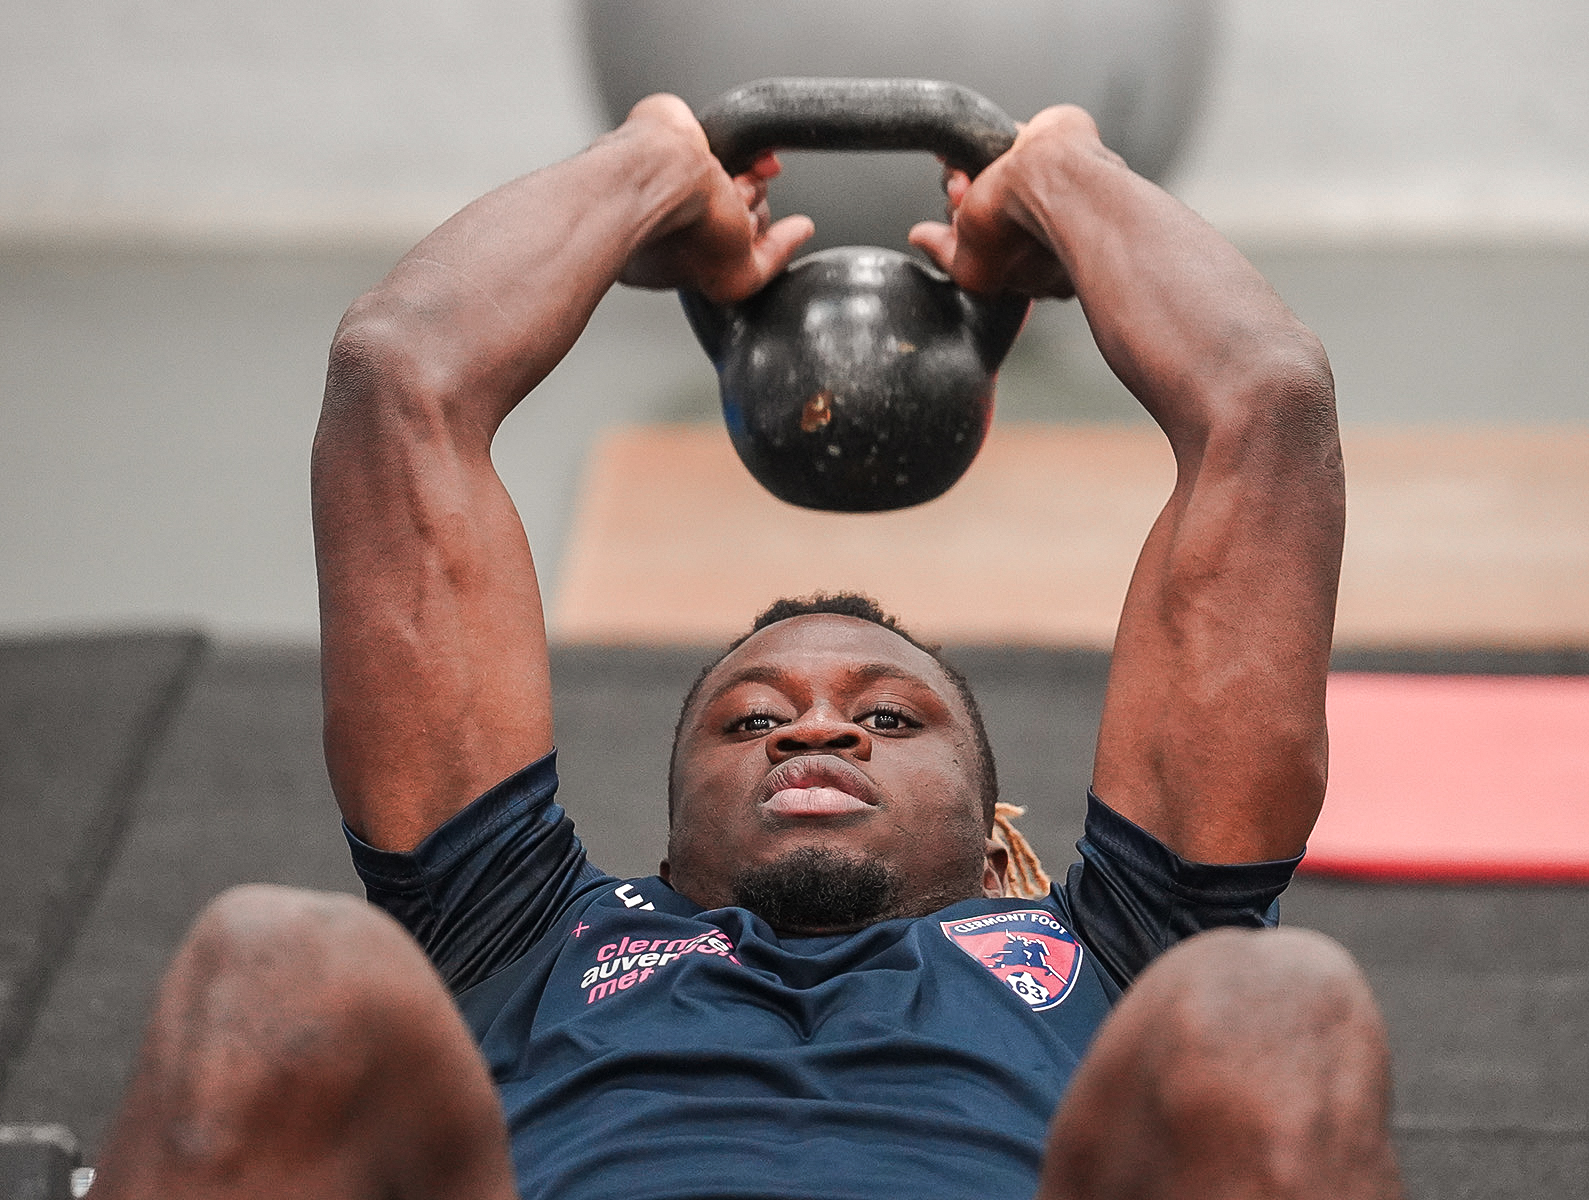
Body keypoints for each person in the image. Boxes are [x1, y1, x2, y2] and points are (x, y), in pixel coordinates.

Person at [88, 94, 1403, 1199]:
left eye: (891, 720)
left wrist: (1063, 166)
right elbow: (399, 377)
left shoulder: (1121, 948)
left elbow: (1266, 404)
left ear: (1008, 853)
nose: (816, 728)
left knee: (1271, 997)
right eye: (749, 721)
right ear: (660, 856)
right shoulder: (522, 933)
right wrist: (654, 158)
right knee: (275, 956)